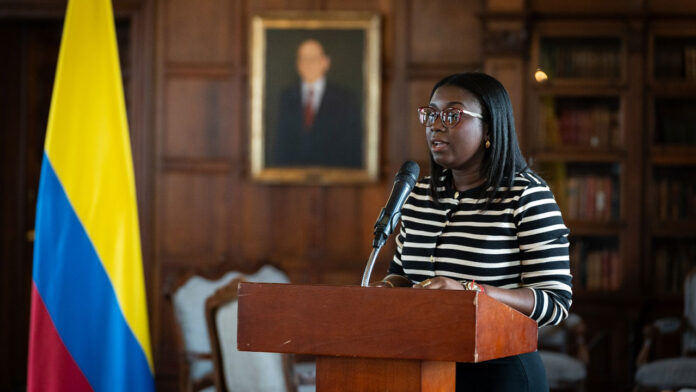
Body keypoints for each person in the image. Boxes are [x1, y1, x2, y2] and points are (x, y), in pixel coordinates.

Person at [371, 72, 572, 391]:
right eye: (431, 113)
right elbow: (403, 273)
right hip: (423, 366)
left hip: (498, 371)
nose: (436, 125)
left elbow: (555, 301)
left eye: (452, 114)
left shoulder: (526, 196)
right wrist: (385, 287)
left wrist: (470, 293)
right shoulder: (420, 194)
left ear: (489, 127)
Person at [269, 39, 362, 168]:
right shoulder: (286, 97)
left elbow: (352, 147)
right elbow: (280, 145)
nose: (308, 64)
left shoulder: (345, 99)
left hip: (336, 177)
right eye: (303, 59)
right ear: (297, 64)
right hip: (292, 178)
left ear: (325, 62)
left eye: (313, 59)